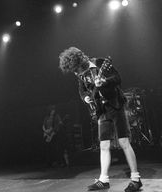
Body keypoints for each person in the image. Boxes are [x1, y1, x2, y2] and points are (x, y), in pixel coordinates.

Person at [58, 47, 142, 192]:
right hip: (101, 111)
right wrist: (86, 97)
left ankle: (136, 179)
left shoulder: (100, 63)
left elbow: (117, 79)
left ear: (81, 61)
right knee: (103, 145)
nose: (76, 73)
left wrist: (104, 82)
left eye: (77, 69)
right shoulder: (80, 74)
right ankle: (104, 180)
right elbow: (82, 90)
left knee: (124, 142)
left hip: (115, 105)